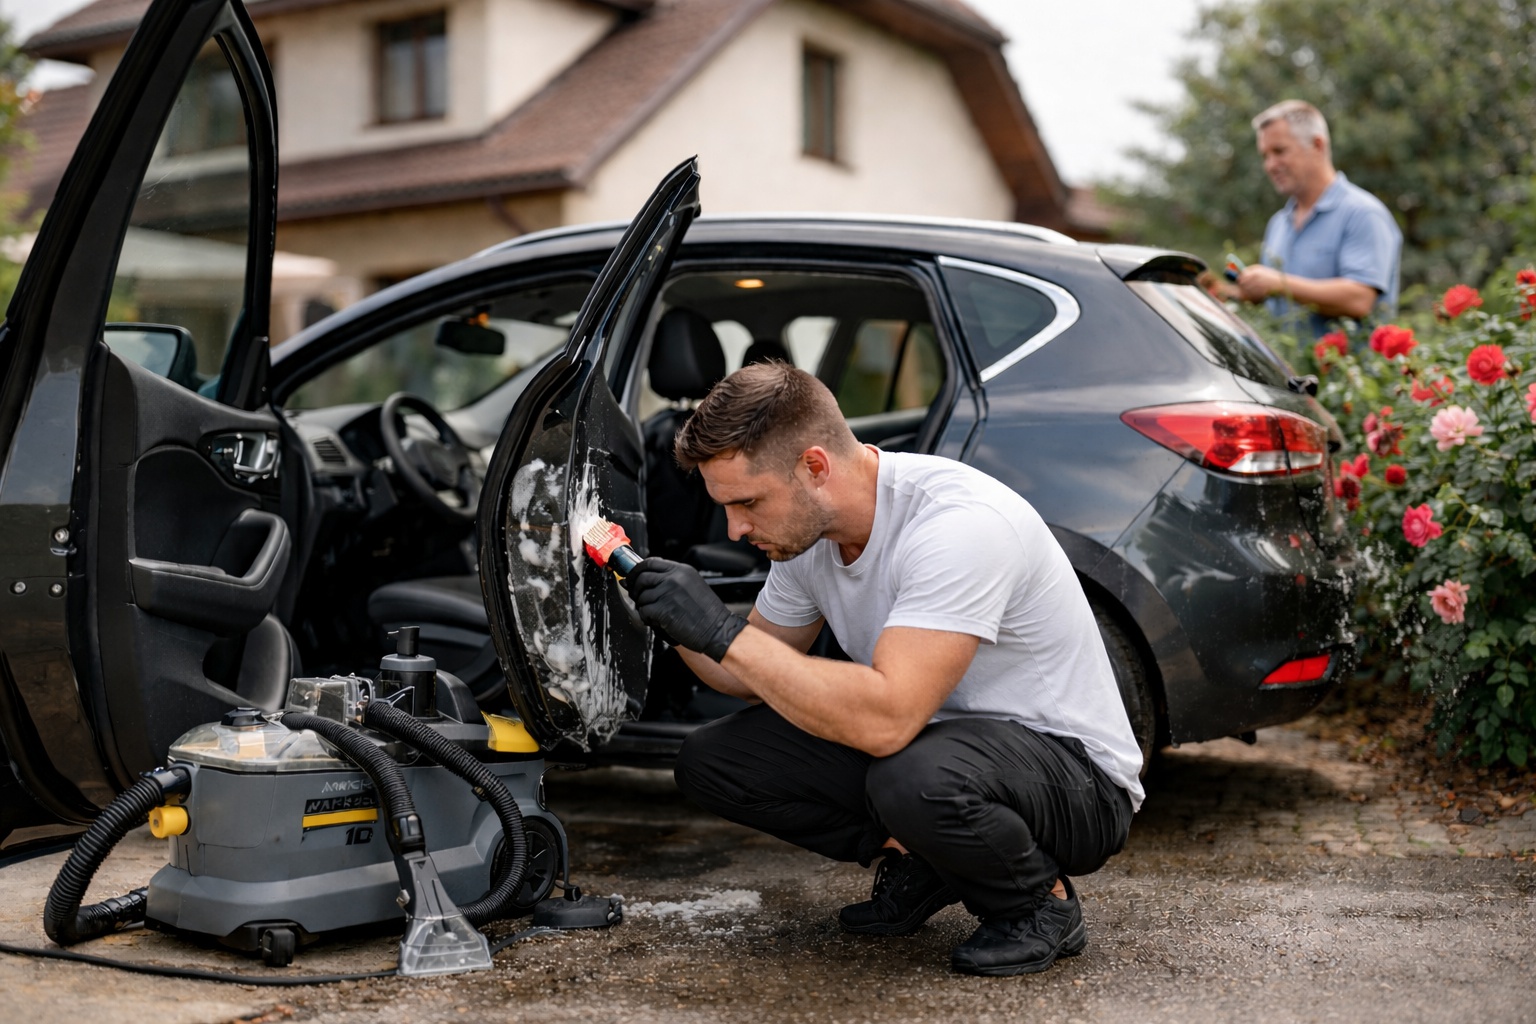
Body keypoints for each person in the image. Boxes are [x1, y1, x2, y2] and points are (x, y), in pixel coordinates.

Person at [620, 361, 1144, 977]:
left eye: (748, 503)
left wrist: (719, 630)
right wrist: (674, 620)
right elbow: (746, 674)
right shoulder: (808, 539)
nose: (736, 529)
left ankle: (1038, 905)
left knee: (912, 775)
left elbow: (889, 718)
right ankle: (931, 859)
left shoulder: (958, 526)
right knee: (715, 761)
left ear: (815, 467)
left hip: (1076, 779)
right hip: (939, 747)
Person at [1221, 100, 1402, 338]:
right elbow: (1280, 300)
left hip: (1346, 364)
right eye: (1265, 156)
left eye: (1279, 151)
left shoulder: (1362, 214)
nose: (1270, 165)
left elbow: (1360, 299)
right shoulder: (1278, 224)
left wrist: (1278, 283)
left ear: (1317, 145)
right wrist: (1232, 291)